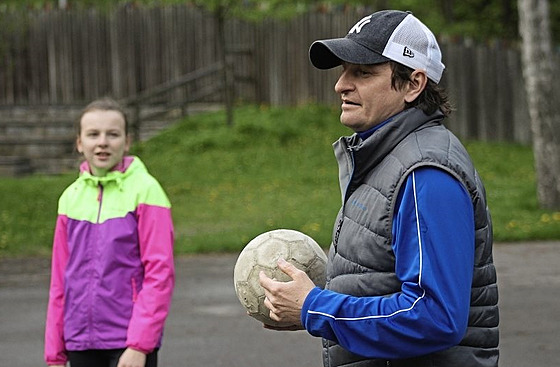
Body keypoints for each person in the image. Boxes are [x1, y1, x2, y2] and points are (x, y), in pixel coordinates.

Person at [259, 9, 499, 367]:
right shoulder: (387, 160)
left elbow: (434, 316)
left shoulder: (426, 174)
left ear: (413, 84)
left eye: (363, 72)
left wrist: (315, 307)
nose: (341, 84)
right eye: (343, 71)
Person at [44, 98, 175, 367]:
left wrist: (139, 345)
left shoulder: (146, 190)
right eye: (93, 134)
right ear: (79, 142)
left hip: (127, 343)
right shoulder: (70, 198)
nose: (102, 142)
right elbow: (60, 280)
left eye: (112, 134)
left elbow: (159, 273)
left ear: (126, 141)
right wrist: (54, 352)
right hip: (79, 341)